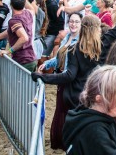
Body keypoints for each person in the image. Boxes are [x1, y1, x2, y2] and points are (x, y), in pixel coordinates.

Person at [31, 0, 116, 110]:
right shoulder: (104, 42)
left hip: (76, 97)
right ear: (97, 29)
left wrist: (44, 77)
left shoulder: (75, 49)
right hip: (95, 96)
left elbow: (69, 76)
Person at [62, 65, 116, 154]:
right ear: (99, 98)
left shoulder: (89, 116)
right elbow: (102, 143)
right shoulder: (95, 132)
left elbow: (110, 144)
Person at [37, 13, 82, 150]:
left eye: (76, 22)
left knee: (67, 111)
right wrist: (46, 64)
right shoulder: (67, 38)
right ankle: (61, 140)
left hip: (70, 81)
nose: (73, 24)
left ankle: (69, 141)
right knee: (60, 110)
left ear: (81, 24)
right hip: (61, 79)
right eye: (71, 21)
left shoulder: (80, 42)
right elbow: (57, 58)